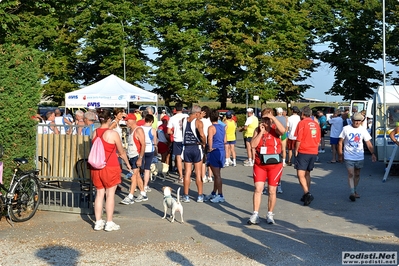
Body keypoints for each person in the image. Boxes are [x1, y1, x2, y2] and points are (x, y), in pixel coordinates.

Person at [91, 109, 132, 231]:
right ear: (109, 119)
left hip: (96, 167)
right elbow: (122, 152)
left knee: (99, 194)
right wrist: (128, 164)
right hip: (110, 166)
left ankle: (98, 222)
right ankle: (109, 222)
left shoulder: (95, 132)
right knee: (110, 195)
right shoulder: (113, 134)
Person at [247, 108, 285, 225]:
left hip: (274, 165)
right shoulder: (258, 130)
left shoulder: (275, 129)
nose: (266, 121)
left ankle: (270, 214)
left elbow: (283, 132)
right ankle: (255, 214)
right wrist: (261, 133)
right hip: (260, 164)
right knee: (258, 189)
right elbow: (253, 145)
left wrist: (273, 118)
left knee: (272, 190)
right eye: (264, 119)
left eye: (268, 119)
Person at [338, 112, 376, 202]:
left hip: (359, 155)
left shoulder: (363, 130)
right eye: (355, 120)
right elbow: (340, 142)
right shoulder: (346, 129)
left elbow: (368, 142)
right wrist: (340, 155)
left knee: (357, 173)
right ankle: (352, 192)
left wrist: (373, 153)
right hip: (348, 155)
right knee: (351, 173)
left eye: (359, 121)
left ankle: (354, 190)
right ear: (352, 120)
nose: (357, 122)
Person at [294, 106, 320, 206]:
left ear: (302, 114)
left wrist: (296, 150)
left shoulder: (302, 123)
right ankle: (306, 194)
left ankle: (307, 193)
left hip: (304, 151)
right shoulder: (316, 124)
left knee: (300, 174)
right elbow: (318, 140)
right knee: (307, 174)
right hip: (313, 151)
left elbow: (299, 139)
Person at [120, 113, 147, 204]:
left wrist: (140, 158)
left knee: (134, 175)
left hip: (137, 155)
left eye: (127, 120)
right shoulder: (130, 130)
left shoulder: (138, 130)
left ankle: (130, 196)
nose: (126, 122)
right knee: (137, 175)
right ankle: (143, 193)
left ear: (132, 120)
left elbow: (143, 144)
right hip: (131, 155)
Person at [181, 105, 206, 203]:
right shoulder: (198, 122)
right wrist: (204, 143)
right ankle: (200, 195)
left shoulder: (184, 120)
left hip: (186, 148)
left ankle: (186, 195)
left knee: (187, 172)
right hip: (196, 147)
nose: (200, 115)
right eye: (199, 113)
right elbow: (202, 135)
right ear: (196, 113)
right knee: (198, 173)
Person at [204, 110, 226, 203]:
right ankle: (214, 192)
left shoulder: (211, 127)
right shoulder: (222, 127)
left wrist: (210, 148)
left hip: (214, 151)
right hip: (221, 150)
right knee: (217, 174)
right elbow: (225, 140)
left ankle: (220, 194)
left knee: (216, 175)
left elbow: (209, 138)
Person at [167, 102, 189, 183]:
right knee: (187, 158)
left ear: (175, 109)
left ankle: (180, 176)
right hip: (186, 138)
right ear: (182, 109)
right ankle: (187, 174)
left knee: (178, 158)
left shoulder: (172, 118)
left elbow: (169, 131)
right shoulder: (187, 116)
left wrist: (174, 132)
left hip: (177, 139)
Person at [141, 114, 158, 194]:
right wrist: (156, 149)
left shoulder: (140, 128)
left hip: (141, 149)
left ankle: (139, 183)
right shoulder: (153, 130)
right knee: (147, 169)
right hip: (149, 149)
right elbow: (155, 141)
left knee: (141, 167)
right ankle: (145, 186)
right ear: (151, 121)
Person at [275, 107, 287, 193]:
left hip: (277, 133)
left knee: (278, 148)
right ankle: (283, 161)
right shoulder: (284, 118)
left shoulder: (275, 118)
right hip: (284, 134)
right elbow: (286, 127)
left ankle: (279, 159)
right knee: (284, 148)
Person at [200, 106, 213, 183]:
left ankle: (203, 176)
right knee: (209, 160)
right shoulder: (209, 121)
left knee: (203, 160)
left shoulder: (199, 121)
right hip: (209, 141)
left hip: (202, 141)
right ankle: (210, 176)